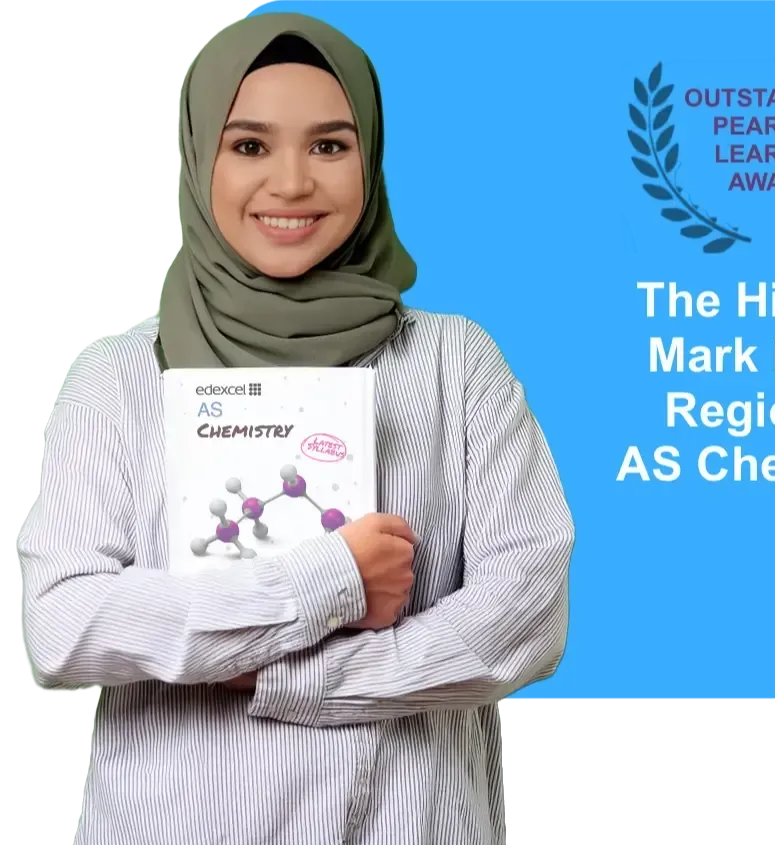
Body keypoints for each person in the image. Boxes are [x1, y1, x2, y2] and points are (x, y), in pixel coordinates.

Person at [16, 12, 573, 845]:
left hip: (406, 822)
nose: (291, 183)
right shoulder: (121, 373)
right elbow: (64, 626)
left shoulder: (455, 360)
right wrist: (328, 580)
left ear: (370, 159)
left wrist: (293, 678)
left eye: (329, 145)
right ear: (198, 156)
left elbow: (523, 613)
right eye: (249, 146)